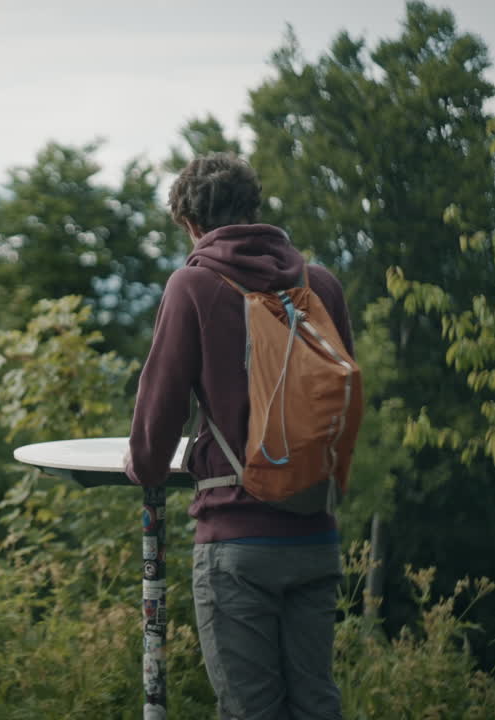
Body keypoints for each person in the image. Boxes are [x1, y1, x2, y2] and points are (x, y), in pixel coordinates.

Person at [124, 152, 353, 720]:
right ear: (253, 209)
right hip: (315, 533)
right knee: (317, 705)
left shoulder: (193, 285)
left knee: (251, 711)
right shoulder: (320, 284)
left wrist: (142, 466)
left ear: (191, 224)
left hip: (236, 540)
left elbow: (157, 424)